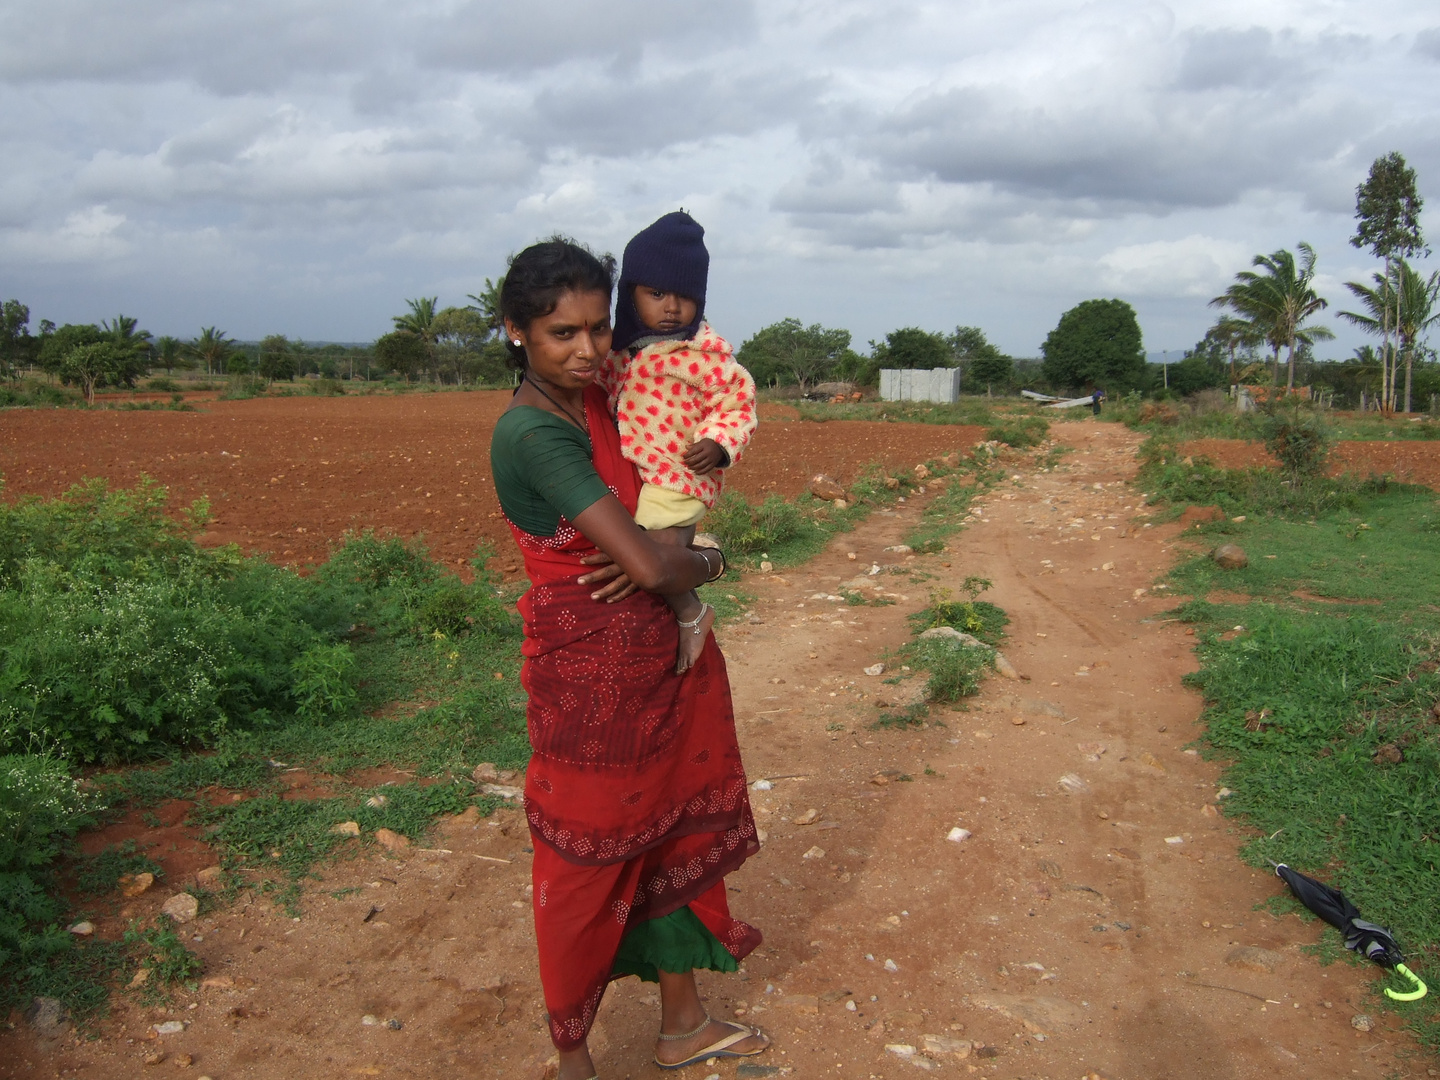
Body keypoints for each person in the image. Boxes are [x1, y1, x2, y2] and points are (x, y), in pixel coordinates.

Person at [488, 237, 768, 1080]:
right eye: (558, 334)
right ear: (517, 334)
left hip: (662, 670)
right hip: (590, 690)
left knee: (669, 839)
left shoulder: (606, 403)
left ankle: (682, 1023)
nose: (584, 351)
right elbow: (648, 565)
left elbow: (671, 504)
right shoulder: (536, 435)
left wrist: (683, 555)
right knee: (584, 867)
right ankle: (572, 1057)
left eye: (594, 330)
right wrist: (704, 561)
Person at [600, 210, 757, 675]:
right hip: (639, 472)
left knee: (652, 560)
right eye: (656, 293)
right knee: (654, 553)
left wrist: (719, 443)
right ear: (630, 295)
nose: (671, 307)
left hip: (680, 474)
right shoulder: (620, 353)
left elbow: (739, 402)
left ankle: (691, 612)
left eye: (685, 297)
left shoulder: (703, 356)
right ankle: (689, 582)